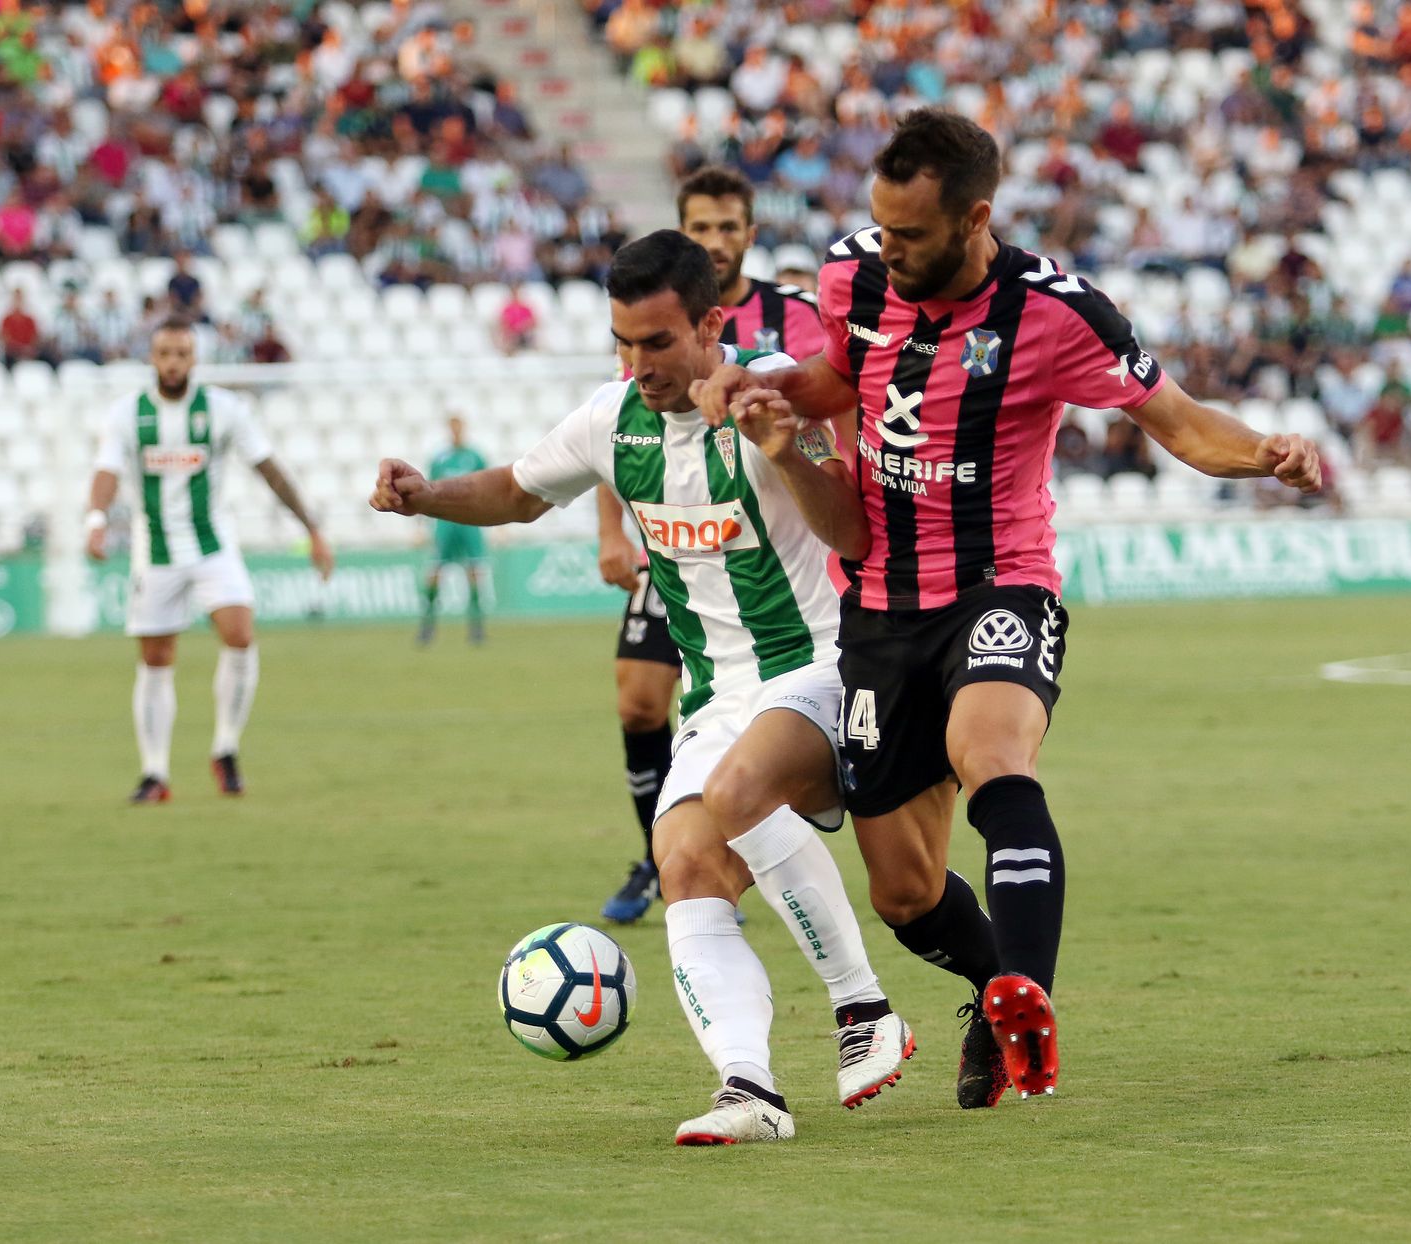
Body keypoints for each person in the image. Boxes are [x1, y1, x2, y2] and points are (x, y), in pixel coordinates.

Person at [695, 109, 1322, 1108]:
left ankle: (1028, 988)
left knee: (994, 749)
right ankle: (993, 985)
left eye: (909, 235)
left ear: (974, 219)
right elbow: (831, 379)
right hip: (880, 612)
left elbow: (1179, 420)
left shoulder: (1055, 312)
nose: (886, 250)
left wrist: (1265, 452)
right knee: (903, 890)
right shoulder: (851, 274)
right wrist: (763, 386)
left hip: (1001, 583)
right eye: (879, 228)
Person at [371, 230, 912, 1145]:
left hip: (825, 664)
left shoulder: (776, 389)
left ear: (711, 323)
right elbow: (515, 492)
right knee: (684, 863)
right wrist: (426, 497)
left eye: (656, 343)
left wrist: (780, 451)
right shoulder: (612, 418)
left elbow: (853, 534)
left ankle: (863, 1009)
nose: (638, 364)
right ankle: (751, 1090)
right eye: (622, 342)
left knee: (747, 798)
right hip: (719, 692)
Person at [596, 165, 826, 924]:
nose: (716, 241)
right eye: (702, 227)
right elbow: (611, 425)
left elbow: (836, 408)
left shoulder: (794, 317)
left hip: (771, 551)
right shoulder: (647, 322)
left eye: (730, 227)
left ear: (750, 236)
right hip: (678, 543)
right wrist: (610, 531)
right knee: (636, 701)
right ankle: (663, 853)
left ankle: (755, 825)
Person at [84, 318, 335, 803]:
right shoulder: (125, 415)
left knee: (239, 634)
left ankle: (225, 747)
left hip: (212, 545)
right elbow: (106, 471)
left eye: (182, 353)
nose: (173, 362)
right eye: (165, 353)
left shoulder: (224, 409)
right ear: (152, 358)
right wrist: (95, 520)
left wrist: (312, 528)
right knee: (156, 659)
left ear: (194, 358)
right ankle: (155, 773)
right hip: (154, 551)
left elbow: (270, 470)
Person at [417, 414, 488, 647]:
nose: (456, 431)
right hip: (445, 521)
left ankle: (476, 627)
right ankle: (428, 625)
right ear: (448, 429)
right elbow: (427, 490)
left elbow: (489, 488)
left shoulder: (475, 457)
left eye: (459, 427)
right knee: (435, 571)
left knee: (475, 572)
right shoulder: (439, 458)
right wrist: (421, 523)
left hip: (470, 519)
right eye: (452, 427)